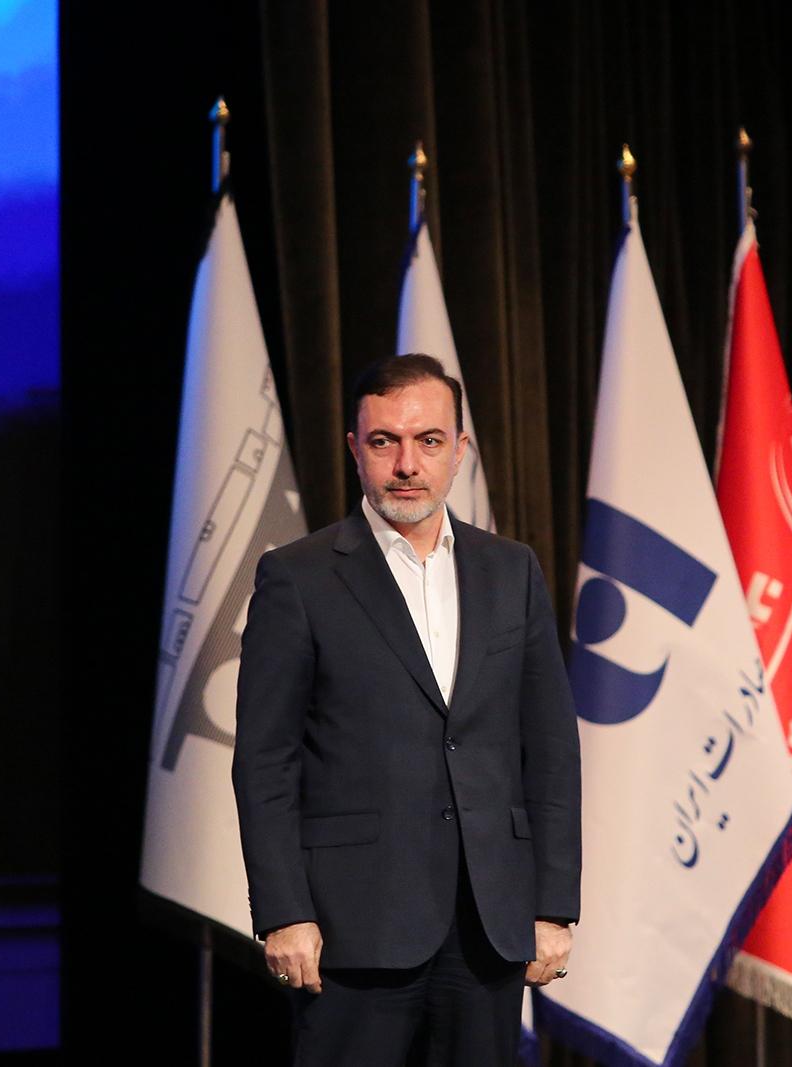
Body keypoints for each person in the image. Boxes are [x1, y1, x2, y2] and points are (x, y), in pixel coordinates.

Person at [232, 354, 581, 1067]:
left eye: (428, 440)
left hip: (488, 926)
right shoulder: (298, 576)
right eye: (384, 441)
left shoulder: (511, 570)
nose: (406, 464)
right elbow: (265, 761)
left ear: (459, 449)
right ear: (354, 449)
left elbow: (550, 749)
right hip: (351, 928)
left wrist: (553, 904)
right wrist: (285, 912)